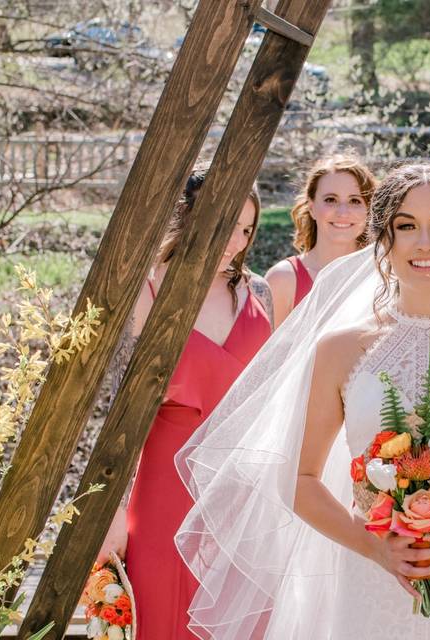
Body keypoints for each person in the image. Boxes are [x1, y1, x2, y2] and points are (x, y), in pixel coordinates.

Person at [175, 164, 430, 639]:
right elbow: (299, 479)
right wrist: (376, 549)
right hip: (373, 587)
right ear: (383, 236)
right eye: (406, 226)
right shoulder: (341, 349)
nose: (424, 243)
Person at [98, 167, 273, 640]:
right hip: (164, 479)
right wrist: (112, 512)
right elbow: (119, 410)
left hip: (239, 481)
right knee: (161, 607)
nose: (236, 242)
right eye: (227, 223)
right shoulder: (148, 288)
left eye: (246, 229)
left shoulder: (258, 292)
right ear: (191, 215)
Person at [264, 155, 377, 328]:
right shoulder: (283, 280)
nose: (343, 212)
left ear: (368, 210)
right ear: (311, 208)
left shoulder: (383, 277)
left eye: (355, 200)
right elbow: (266, 355)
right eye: (330, 200)